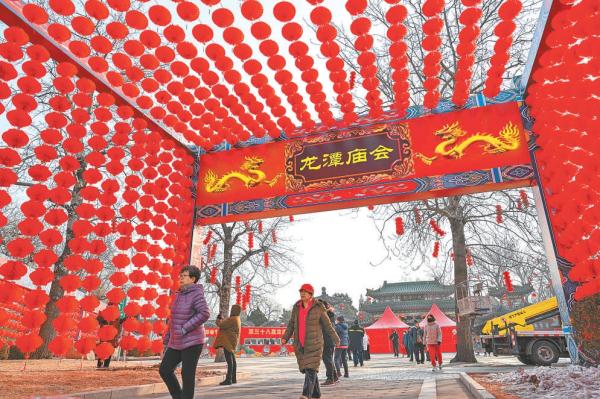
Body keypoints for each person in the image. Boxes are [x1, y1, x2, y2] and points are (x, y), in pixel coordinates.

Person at [159, 266, 210, 399]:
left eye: (184, 276)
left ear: (193, 279)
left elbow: (204, 313)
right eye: (180, 275)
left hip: (193, 342)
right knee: (165, 370)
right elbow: (173, 319)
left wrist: (185, 328)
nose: (180, 278)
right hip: (176, 341)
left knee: (187, 375)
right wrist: (168, 338)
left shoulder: (197, 293)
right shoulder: (179, 294)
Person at [282, 284, 339, 399]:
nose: (302, 293)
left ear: (311, 294)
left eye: (305, 292)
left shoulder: (318, 307)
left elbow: (328, 325)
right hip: (300, 343)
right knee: (309, 368)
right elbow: (291, 324)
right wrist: (285, 337)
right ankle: (316, 393)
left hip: (315, 343)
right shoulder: (297, 307)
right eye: (301, 291)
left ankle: (306, 394)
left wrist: (336, 338)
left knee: (311, 368)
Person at [214, 304, 242, 386]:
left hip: (227, 342)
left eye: (232, 309)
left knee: (229, 361)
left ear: (234, 310)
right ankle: (233, 378)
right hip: (232, 342)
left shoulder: (233, 319)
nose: (231, 311)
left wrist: (219, 318)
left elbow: (221, 325)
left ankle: (228, 379)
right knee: (233, 360)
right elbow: (226, 324)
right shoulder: (237, 319)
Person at [321, 302, 338, 386]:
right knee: (329, 359)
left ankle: (330, 378)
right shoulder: (330, 315)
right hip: (330, 340)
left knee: (327, 359)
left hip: (326, 340)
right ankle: (334, 377)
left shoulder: (325, 316)